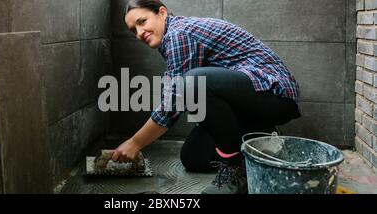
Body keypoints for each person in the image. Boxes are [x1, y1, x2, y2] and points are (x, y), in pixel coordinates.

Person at [111, 0, 301, 194]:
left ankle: (235, 169)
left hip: (274, 93)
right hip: (249, 101)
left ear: (162, 13)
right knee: (194, 158)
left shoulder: (179, 34)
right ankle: (261, 134)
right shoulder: (172, 39)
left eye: (142, 21)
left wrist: (135, 142)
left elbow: (172, 104)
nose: (140, 32)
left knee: (192, 82)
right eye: (133, 30)